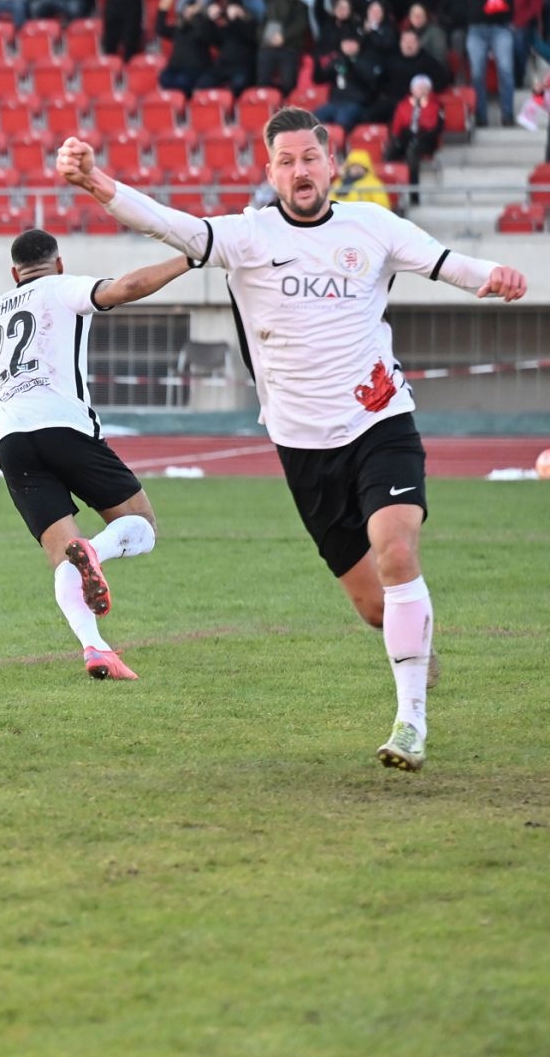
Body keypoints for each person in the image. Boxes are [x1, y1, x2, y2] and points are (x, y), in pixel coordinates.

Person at [56, 108, 530, 772]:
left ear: (331, 165)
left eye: (310, 158)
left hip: (379, 421)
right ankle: (412, 649)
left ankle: (411, 721)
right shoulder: (247, 235)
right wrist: (97, 183)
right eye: (287, 161)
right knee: (374, 606)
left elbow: (444, 261)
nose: (300, 170)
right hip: (302, 447)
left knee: (396, 551)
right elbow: (169, 224)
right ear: (270, 171)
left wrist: (492, 275)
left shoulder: (373, 226)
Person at [0, 230, 191, 679]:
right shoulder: (64, 286)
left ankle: (95, 649)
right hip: (63, 426)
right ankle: (94, 551)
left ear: (14, 273)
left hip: (11, 440)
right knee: (142, 525)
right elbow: (127, 287)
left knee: (62, 556)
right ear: (59, 263)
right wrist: (188, 260)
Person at [388, 75, 443, 205]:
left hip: (426, 140)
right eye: (418, 88)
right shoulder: (403, 105)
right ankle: (391, 193)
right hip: (406, 138)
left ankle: (414, 195)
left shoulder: (435, 106)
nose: (421, 91)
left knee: (412, 153)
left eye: (424, 88)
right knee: (390, 152)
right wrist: (396, 139)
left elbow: (433, 127)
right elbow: (396, 127)